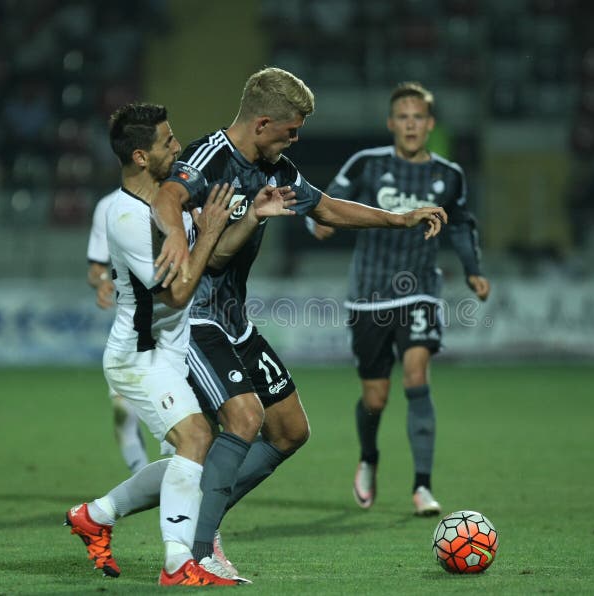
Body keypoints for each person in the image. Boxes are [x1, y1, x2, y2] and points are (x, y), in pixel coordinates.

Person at [149, 67, 449, 578]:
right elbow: (167, 197)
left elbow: (328, 208)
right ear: (263, 123)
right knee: (244, 420)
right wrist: (177, 236)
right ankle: (196, 554)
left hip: (233, 319)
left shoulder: (278, 170)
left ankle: (144, 511)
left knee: (289, 431)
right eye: (291, 129)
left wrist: (397, 218)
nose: (296, 137)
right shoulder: (210, 156)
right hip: (190, 317)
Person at [65, 102, 252, 586]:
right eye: (168, 141)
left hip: (170, 351)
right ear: (142, 157)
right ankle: (177, 564)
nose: (178, 145)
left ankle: (96, 515)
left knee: (189, 454)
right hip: (138, 356)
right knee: (196, 438)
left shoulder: (172, 204)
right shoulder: (126, 216)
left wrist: (254, 217)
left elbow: (209, 262)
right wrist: (209, 230)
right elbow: (177, 291)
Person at [309, 82, 490, 516]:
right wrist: (317, 226)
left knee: (415, 373)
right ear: (392, 123)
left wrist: (473, 269)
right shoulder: (367, 164)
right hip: (368, 294)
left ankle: (423, 486)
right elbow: (322, 204)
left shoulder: (449, 175)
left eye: (419, 118)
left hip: (421, 289)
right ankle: (369, 458)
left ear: (429, 124)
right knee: (375, 398)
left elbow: (462, 225)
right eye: (403, 118)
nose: (411, 125)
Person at [87, 191, 152, 474]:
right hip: (131, 327)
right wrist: (102, 282)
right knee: (123, 410)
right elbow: (97, 267)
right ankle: (143, 477)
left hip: (179, 322)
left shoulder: (179, 193)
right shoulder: (108, 205)